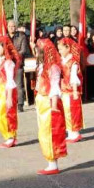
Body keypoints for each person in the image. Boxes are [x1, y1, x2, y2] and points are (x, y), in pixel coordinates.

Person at [34, 38, 67, 175]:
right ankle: (50, 161)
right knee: (43, 131)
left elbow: (54, 87)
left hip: (48, 103)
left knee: (49, 132)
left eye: (37, 50)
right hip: (41, 101)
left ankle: (52, 163)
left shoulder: (53, 67)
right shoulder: (43, 65)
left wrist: (53, 105)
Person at [0, 36, 19, 148]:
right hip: (0, 92)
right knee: (0, 114)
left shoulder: (8, 63)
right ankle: (9, 136)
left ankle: (10, 136)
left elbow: (10, 80)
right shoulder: (2, 62)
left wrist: (8, 97)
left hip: (5, 92)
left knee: (3, 114)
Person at [58, 38, 84, 143]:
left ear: (68, 48)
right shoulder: (62, 60)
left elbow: (74, 77)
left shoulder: (73, 62)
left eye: (61, 49)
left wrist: (74, 91)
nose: (59, 51)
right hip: (64, 90)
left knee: (72, 112)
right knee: (66, 112)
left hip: (70, 91)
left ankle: (74, 133)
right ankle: (70, 132)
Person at [9, 20, 30, 112]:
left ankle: (20, 104)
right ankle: (10, 103)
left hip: (18, 63)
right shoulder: (5, 37)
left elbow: (23, 50)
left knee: (19, 84)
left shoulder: (22, 36)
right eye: (9, 26)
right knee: (8, 85)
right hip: (8, 64)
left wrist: (14, 55)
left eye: (13, 26)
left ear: (16, 27)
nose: (11, 28)